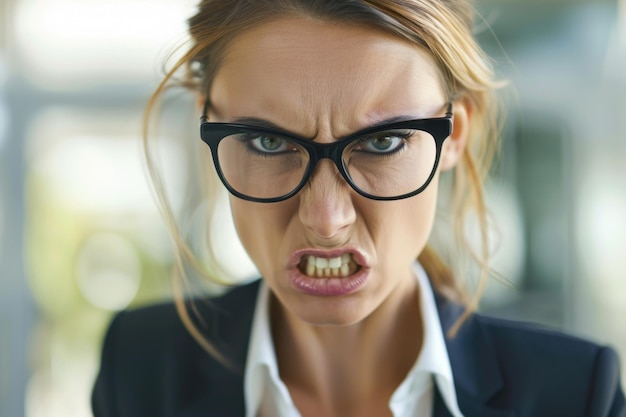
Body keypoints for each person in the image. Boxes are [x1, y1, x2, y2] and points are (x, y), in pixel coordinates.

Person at [91, 1, 625, 416]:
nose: (325, 220)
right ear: (208, 126)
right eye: (268, 143)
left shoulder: (575, 394)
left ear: (453, 135)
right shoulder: (140, 370)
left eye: (383, 143)